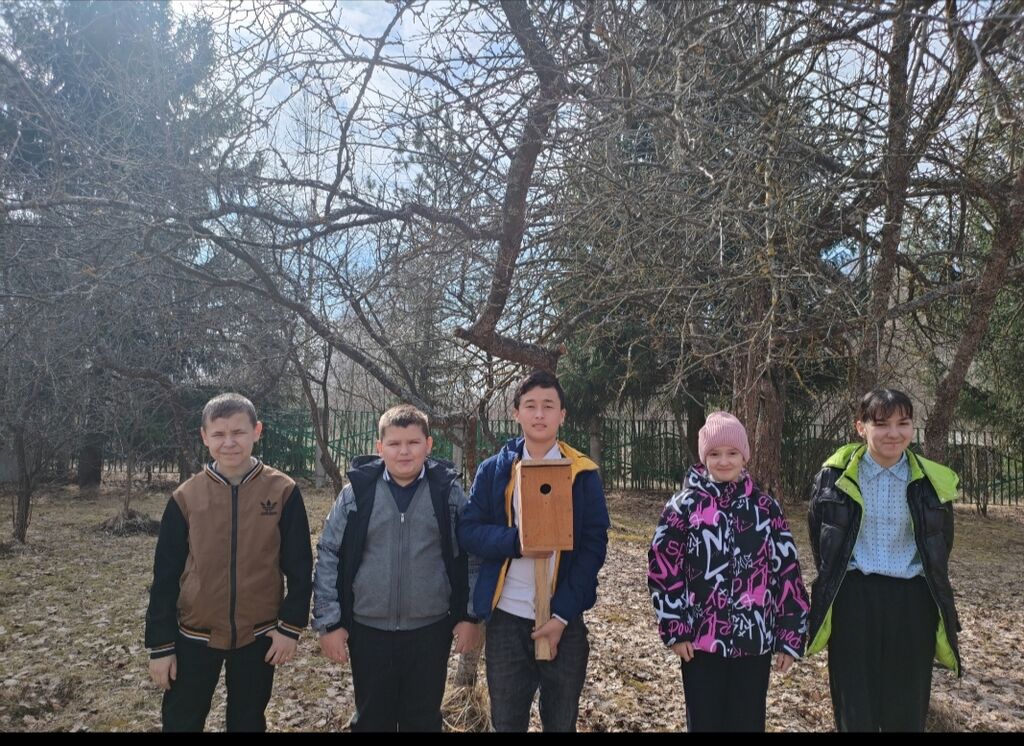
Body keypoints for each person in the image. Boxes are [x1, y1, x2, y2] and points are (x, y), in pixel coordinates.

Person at [145, 392, 313, 732]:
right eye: (219, 434)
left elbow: (300, 566)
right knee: (181, 720)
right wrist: (161, 646)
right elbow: (165, 575)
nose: (229, 442)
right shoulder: (186, 497)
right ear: (204, 437)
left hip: (259, 634)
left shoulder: (283, 491)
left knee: (248, 721)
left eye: (238, 432)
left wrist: (290, 627)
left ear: (257, 431)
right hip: (194, 634)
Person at [312, 404, 480, 731]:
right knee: (372, 720)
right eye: (394, 443)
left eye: (413, 442)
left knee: (423, 719)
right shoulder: (356, 494)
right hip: (368, 630)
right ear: (380, 447)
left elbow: (471, 554)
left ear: (428, 445)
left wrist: (469, 615)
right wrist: (329, 621)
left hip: (430, 630)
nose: (404, 451)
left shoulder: (446, 493)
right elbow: (329, 552)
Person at [458, 369, 610, 732]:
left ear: (562, 415)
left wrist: (561, 615)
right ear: (516, 413)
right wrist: (517, 543)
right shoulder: (494, 471)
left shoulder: (582, 474)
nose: (539, 414)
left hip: (564, 620)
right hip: (507, 619)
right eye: (530, 406)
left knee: (561, 721)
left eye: (548, 406)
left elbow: (594, 547)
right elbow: (468, 531)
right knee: (507, 722)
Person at [806, 388, 962, 731]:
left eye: (903, 423)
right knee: (854, 709)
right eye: (881, 424)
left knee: (905, 711)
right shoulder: (834, 477)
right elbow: (822, 538)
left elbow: (940, 545)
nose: (894, 433)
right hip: (853, 601)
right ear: (861, 427)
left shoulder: (931, 482)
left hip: (912, 603)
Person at [648, 411, 809, 732]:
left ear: (744, 456)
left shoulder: (766, 509)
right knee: (705, 721)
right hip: (701, 643)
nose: (724, 461)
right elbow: (664, 569)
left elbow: (787, 573)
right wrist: (675, 628)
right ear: (703, 457)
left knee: (747, 722)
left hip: (754, 641)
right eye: (715, 454)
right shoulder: (683, 507)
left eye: (732, 453)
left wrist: (790, 635)